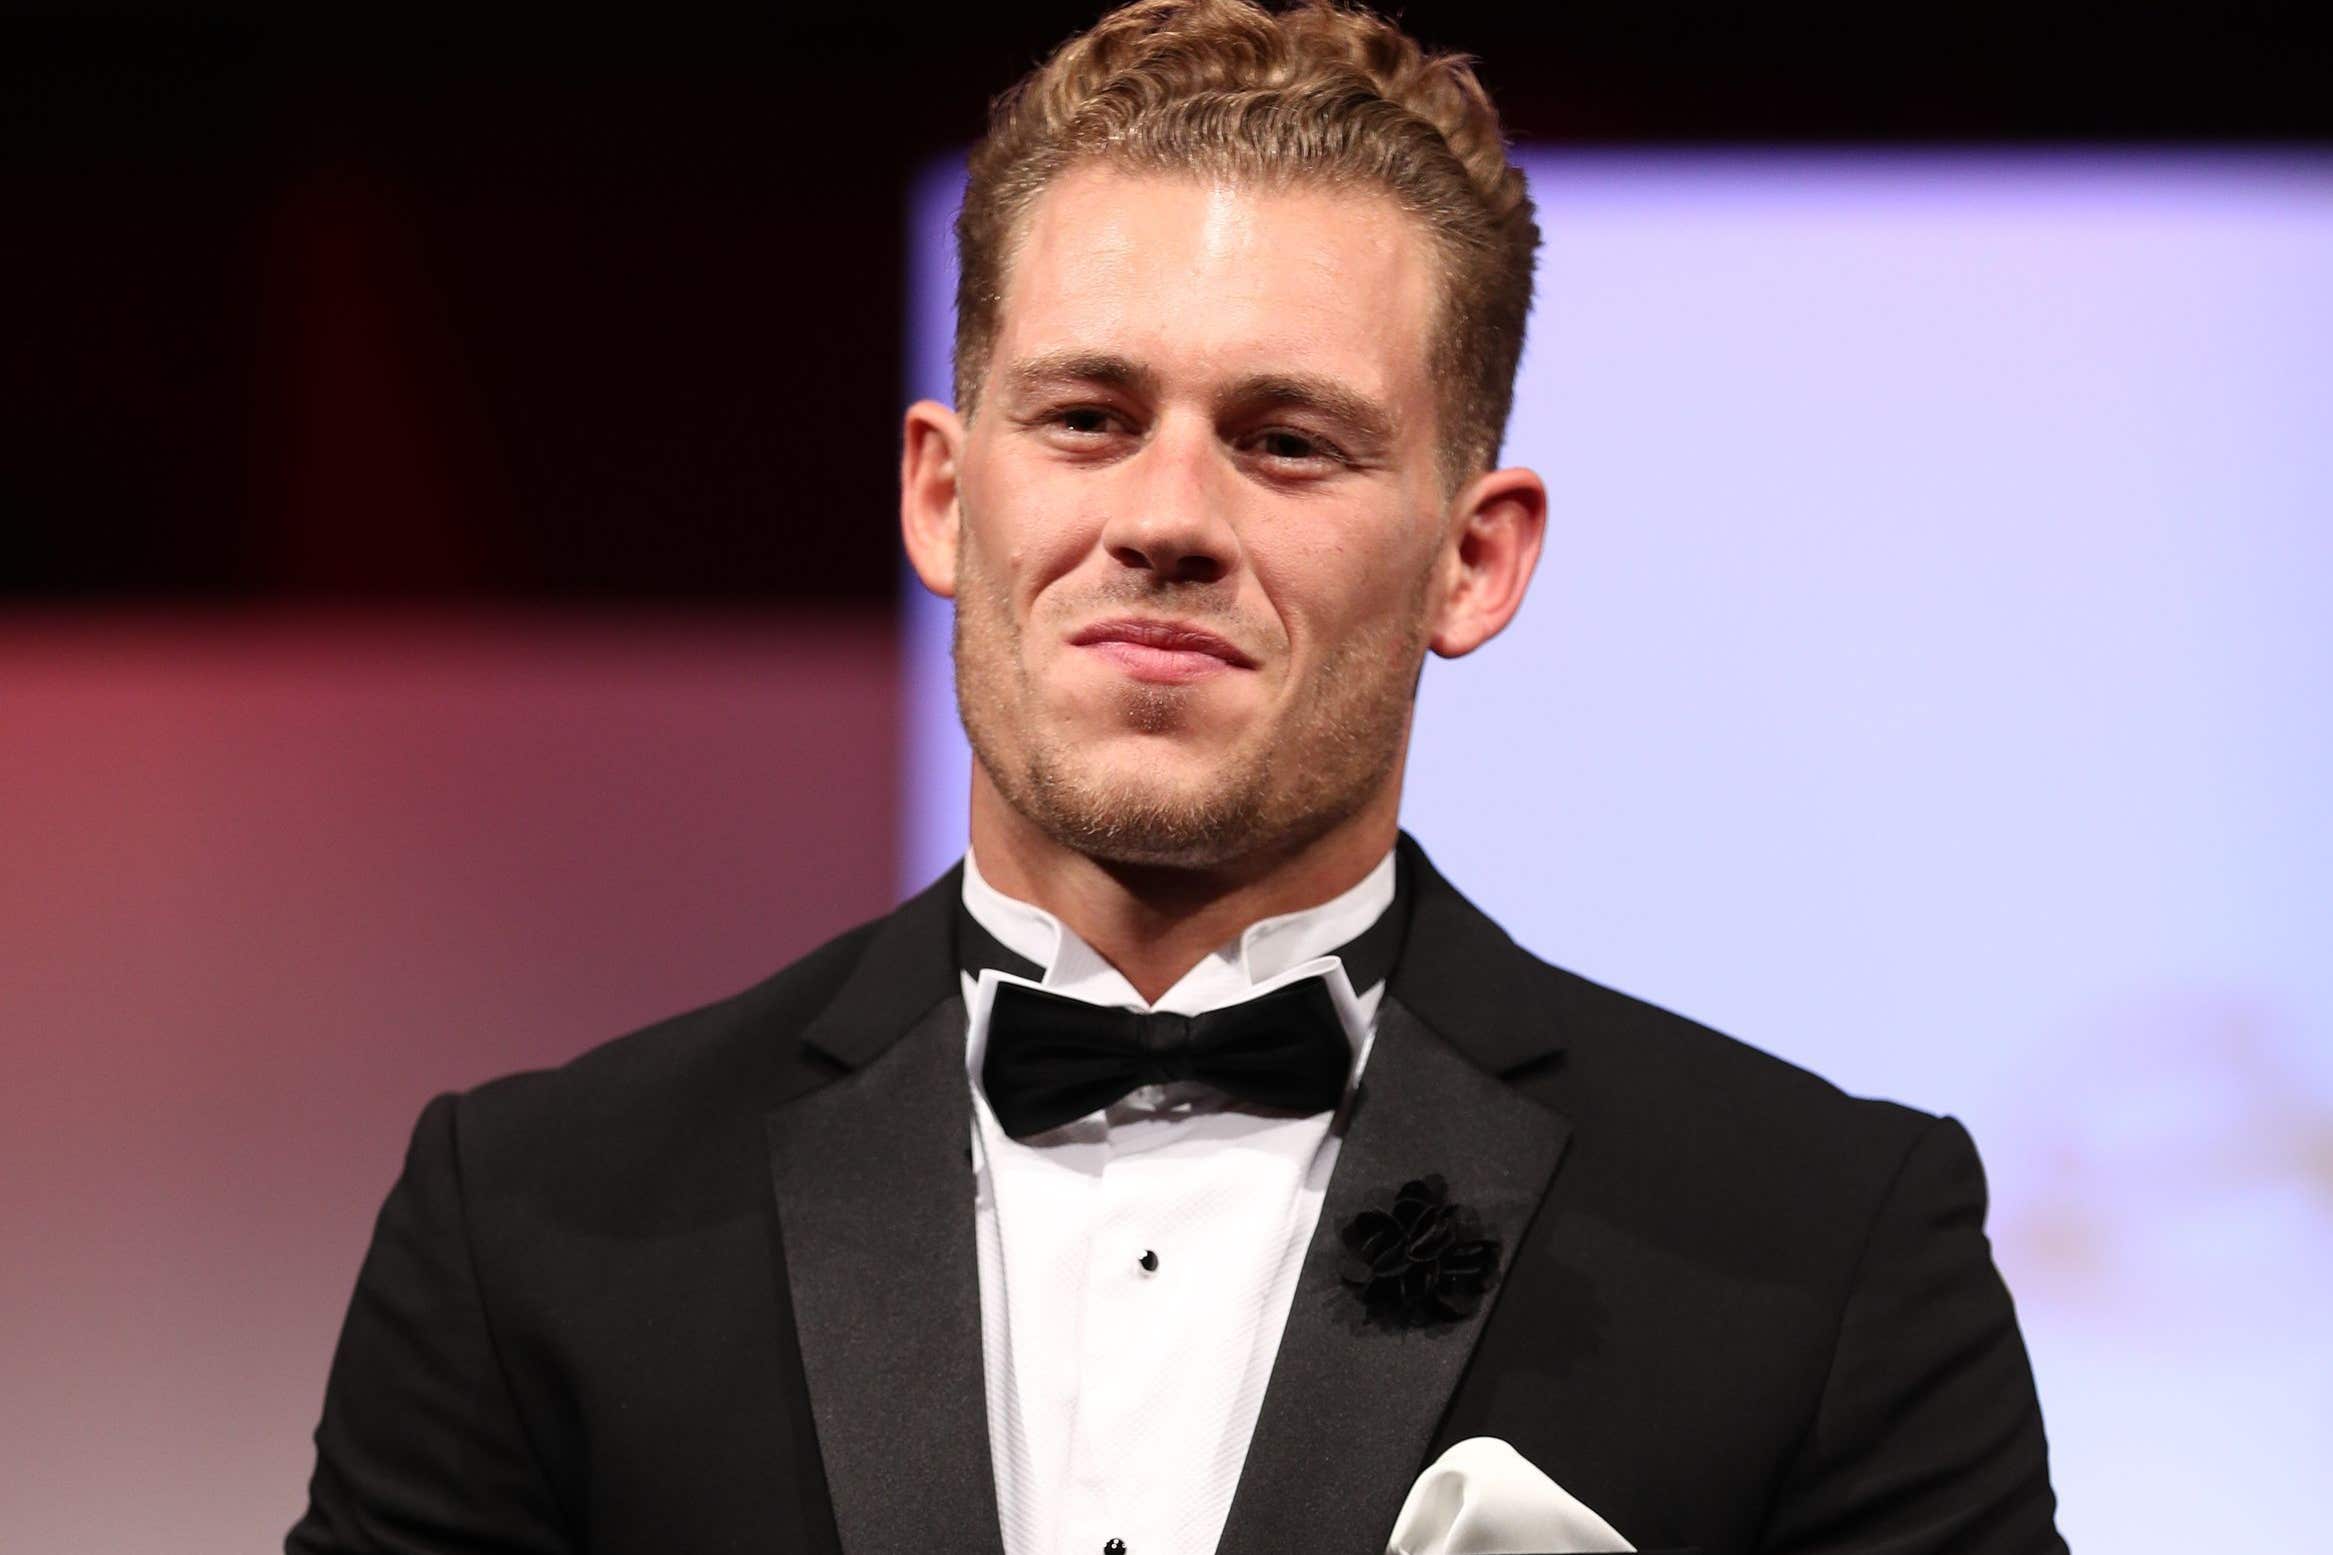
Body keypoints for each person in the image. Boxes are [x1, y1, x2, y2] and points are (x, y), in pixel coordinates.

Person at [289, 2, 2065, 1552]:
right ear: (941, 489)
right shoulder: (532, 1223)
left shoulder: (1818, 1253)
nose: (1163, 519)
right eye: (1085, 417)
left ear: (1475, 559)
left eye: (1288, 443)